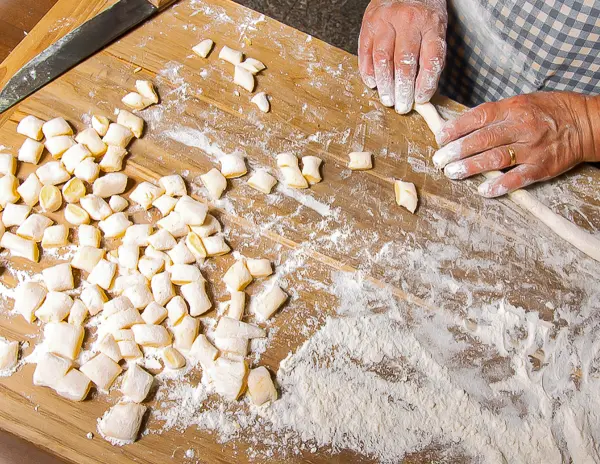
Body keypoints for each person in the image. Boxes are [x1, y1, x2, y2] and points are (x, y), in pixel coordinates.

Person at [358, 0, 600, 198]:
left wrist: (584, 124)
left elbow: (586, 124)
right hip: (461, 40)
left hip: (578, 100)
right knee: (427, 83)